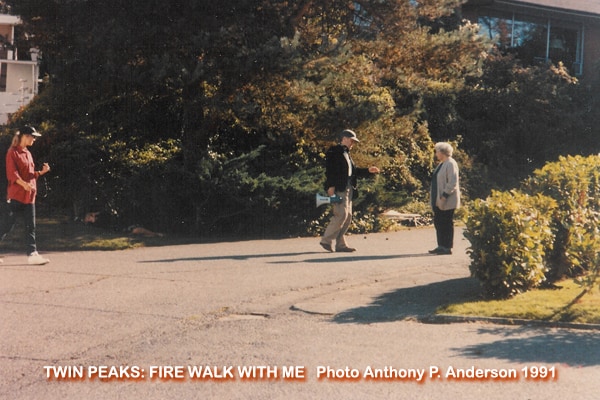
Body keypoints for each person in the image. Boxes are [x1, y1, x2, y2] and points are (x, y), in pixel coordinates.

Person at [320, 129, 380, 252]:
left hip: (348, 187)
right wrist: (330, 186)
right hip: (339, 187)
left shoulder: (347, 154)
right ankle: (326, 240)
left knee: (347, 217)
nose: (353, 143)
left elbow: (353, 172)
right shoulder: (334, 151)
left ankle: (341, 245)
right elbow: (330, 171)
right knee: (341, 214)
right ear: (345, 138)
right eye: (352, 141)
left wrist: (368, 171)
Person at [0, 126, 51, 265]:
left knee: (31, 227)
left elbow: (29, 174)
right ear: (24, 136)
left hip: (29, 196)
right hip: (16, 196)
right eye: (32, 136)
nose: (34, 139)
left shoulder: (27, 153)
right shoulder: (12, 152)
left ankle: (32, 255)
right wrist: (23, 185)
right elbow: (12, 174)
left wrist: (41, 172)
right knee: (6, 226)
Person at [429, 142, 460, 255]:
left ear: (442, 152)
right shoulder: (442, 164)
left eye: (437, 151)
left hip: (447, 200)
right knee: (438, 222)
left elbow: (452, 182)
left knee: (446, 223)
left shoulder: (451, 163)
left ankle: (447, 247)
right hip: (439, 199)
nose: (436, 153)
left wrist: (444, 196)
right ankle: (441, 245)